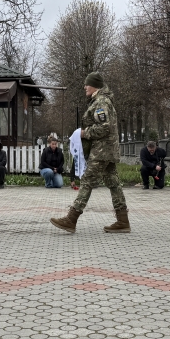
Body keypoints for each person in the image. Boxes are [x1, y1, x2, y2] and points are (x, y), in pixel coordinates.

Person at [50, 72, 131, 233]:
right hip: (107, 149)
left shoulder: (101, 102)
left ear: (95, 85)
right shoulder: (100, 100)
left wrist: (84, 133)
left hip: (102, 150)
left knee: (87, 180)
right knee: (113, 183)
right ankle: (123, 221)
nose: (85, 87)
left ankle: (71, 219)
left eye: (87, 84)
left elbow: (105, 127)